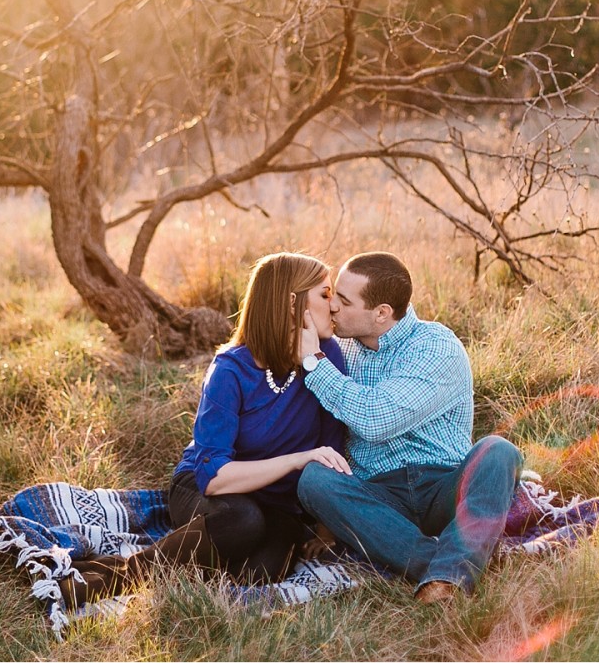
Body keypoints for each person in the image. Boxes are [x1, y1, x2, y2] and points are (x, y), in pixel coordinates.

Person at [294, 251, 523, 604]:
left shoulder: (435, 347)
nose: (333, 306)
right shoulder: (338, 350)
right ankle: (447, 569)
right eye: (333, 295)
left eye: (344, 301)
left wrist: (315, 364)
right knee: (314, 479)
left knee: (499, 450)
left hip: (443, 488)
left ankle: (441, 569)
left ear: (382, 313)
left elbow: (375, 420)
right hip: (378, 499)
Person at [165, 251, 351, 582]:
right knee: (243, 522)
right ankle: (119, 572)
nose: (334, 305)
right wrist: (297, 460)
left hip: (276, 503)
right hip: (209, 488)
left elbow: (331, 444)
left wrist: (326, 528)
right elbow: (213, 477)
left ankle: (204, 560)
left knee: (262, 572)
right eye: (325, 294)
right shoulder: (231, 370)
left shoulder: (327, 357)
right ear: (293, 304)